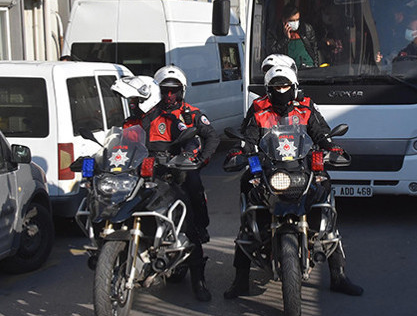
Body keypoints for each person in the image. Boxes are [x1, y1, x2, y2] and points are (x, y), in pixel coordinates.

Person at [223, 64, 363, 299]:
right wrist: (241, 151)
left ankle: (338, 275)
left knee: (327, 200)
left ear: (294, 86)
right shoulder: (259, 109)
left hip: (302, 166)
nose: (281, 90)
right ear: (269, 88)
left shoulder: (306, 107)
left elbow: (320, 132)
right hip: (271, 168)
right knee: (248, 196)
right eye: (276, 86)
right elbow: (248, 138)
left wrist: (331, 146)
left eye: (285, 85)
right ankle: (240, 280)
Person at [139, 65, 220, 301]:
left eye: (174, 91)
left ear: (182, 91)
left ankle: (199, 279)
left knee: (191, 199)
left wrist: (201, 160)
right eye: (165, 91)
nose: (170, 96)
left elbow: (211, 137)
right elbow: (130, 135)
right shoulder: (148, 114)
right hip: (150, 170)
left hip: (179, 169)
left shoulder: (191, 114)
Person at [269, 3, 320, 69]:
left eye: (297, 20)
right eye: (292, 21)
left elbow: (314, 48)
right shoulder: (275, 31)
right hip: (287, 69)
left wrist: (316, 66)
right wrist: (286, 38)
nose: (295, 23)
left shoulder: (306, 28)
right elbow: (272, 52)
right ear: (284, 20)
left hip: (308, 67)